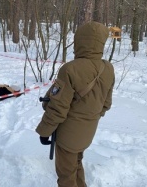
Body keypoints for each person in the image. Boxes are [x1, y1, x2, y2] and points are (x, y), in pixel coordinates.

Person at [35, 21, 115, 187]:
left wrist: (45, 131)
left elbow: (58, 107)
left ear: (80, 41)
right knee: (76, 163)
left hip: (67, 133)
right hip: (88, 130)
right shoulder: (108, 68)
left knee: (66, 176)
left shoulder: (70, 69)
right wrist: (88, 118)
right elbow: (106, 104)